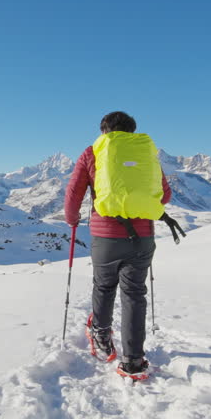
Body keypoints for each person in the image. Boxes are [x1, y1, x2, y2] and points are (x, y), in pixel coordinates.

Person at [63, 111, 172, 378]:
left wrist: (72, 218)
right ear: (132, 132)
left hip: (106, 236)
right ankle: (134, 361)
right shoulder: (146, 154)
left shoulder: (93, 152)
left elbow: (74, 191)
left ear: (104, 131)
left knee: (104, 285)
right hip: (143, 237)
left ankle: (100, 334)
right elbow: (165, 195)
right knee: (135, 293)